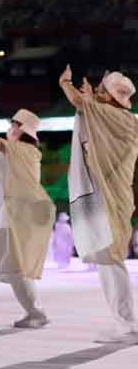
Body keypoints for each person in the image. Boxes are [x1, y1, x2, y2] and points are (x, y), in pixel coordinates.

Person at [60, 66, 138, 343]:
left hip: (110, 198)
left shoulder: (112, 116)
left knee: (111, 259)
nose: (99, 94)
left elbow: (80, 103)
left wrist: (65, 82)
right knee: (109, 259)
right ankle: (125, 323)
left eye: (103, 91)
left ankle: (127, 325)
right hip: (118, 197)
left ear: (111, 97)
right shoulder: (127, 120)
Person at [0, 109, 55, 329]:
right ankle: (34, 310)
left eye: (14, 125)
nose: (10, 129)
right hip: (20, 213)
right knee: (19, 267)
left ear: (21, 130)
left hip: (18, 215)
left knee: (15, 267)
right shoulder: (28, 152)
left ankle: (35, 312)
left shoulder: (20, 149)